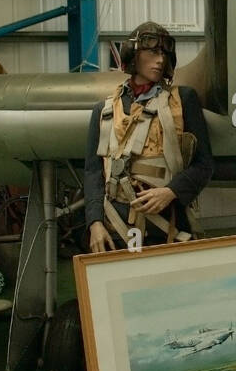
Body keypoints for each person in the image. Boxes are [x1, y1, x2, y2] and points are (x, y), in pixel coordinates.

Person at [83, 22, 213, 253]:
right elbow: (93, 172)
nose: (160, 60)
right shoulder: (104, 112)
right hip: (115, 227)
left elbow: (204, 165)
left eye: (164, 53)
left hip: (168, 226)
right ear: (133, 55)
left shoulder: (183, 101)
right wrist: (94, 223)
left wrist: (171, 191)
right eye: (152, 52)